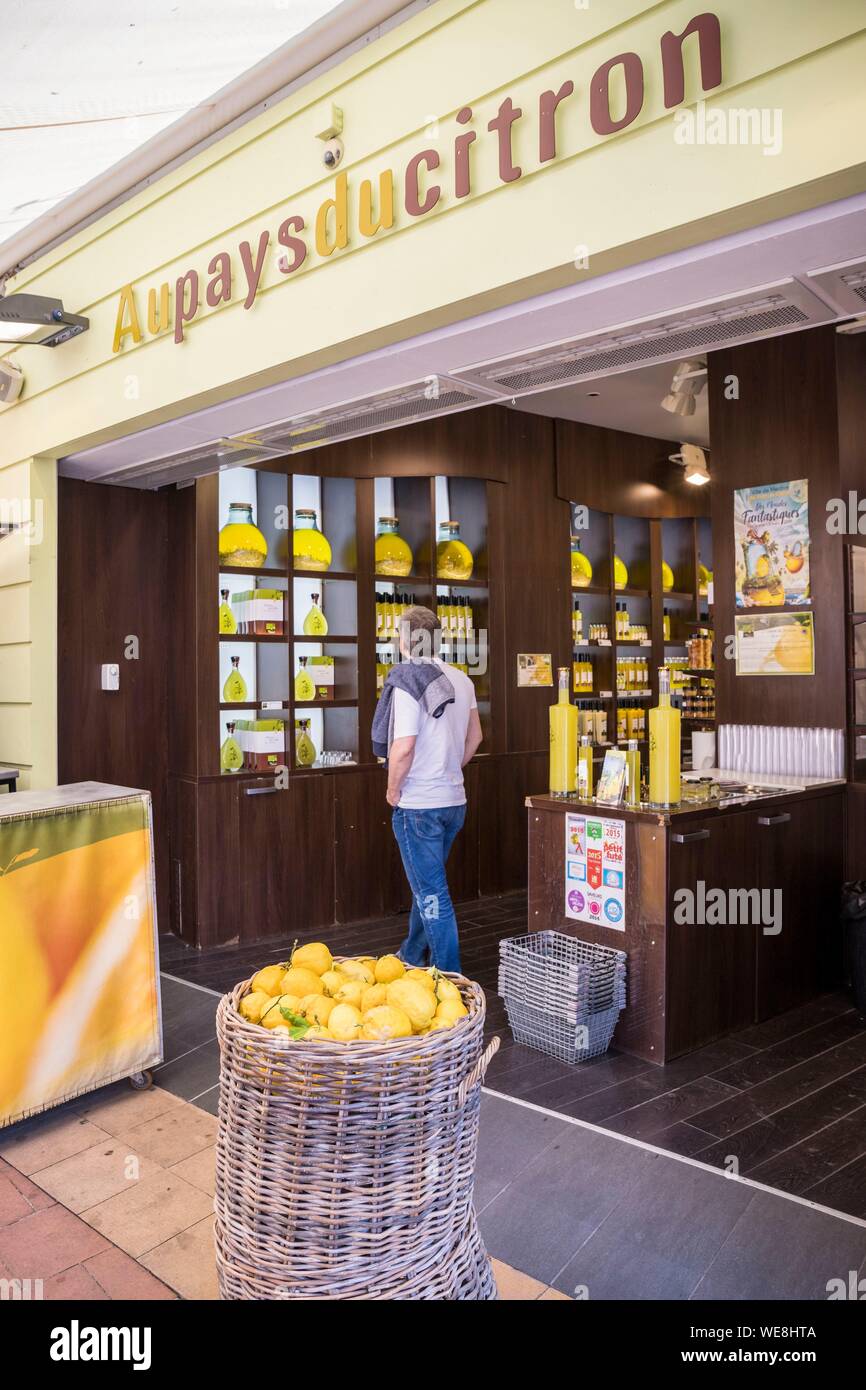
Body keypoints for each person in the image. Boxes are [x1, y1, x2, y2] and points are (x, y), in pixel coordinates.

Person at [371, 604, 482, 972]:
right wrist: (450, 767)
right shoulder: (461, 680)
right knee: (428, 885)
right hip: (454, 802)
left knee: (433, 894)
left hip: (419, 806)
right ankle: (412, 954)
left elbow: (403, 747)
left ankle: (451, 982)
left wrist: (392, 789)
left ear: (405, 641)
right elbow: (476, 736)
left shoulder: (408, 681)